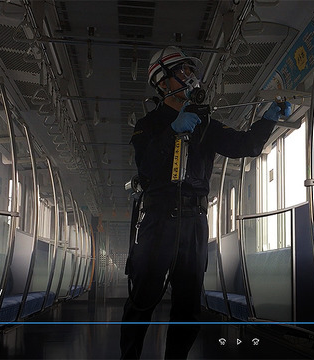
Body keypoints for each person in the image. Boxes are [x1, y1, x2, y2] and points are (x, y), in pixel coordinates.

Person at [120, 46, 291, 359]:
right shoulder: (148, 125)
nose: (191, 76)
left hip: (196, 223)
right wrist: (172, 132)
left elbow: (246, 145)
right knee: (143, 298)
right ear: (162, 81)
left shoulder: (206, 124)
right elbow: (146, 167)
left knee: (188, 305)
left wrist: (269, 119)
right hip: (159, 220)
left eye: (191, 71)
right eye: (183, 71)